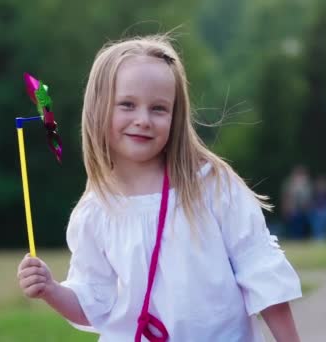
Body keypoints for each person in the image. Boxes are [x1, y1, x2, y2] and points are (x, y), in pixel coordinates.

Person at [17, 35, 302, 341]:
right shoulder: (95, 211)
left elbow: (261, 270)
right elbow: (93, 302)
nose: (143, 120)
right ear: (98, 109)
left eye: (159, 109)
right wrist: (51, 290)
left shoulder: (211, 185)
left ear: (175, 116)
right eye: (127, 104)